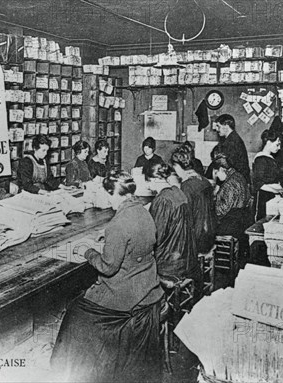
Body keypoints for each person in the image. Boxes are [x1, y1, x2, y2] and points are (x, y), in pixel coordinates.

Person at [51, 171, 163, 383]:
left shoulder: (118, 224)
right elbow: (134, 240)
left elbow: (108, 267)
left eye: (107, 195)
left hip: (126, 295)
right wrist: (110, 238)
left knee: (75, 311)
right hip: (147, 286)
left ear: (116, 194)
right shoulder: (143, 211)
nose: (106, 200)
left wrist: (88, 252)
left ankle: (71, 371)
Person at [144, 162, 200, 286]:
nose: (147, 186)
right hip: (187, 257)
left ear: (154, 179)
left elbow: (155, 236)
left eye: (147, 181)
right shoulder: (178, 191)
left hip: (170, 264)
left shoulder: (162, 200)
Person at [171, 146, 216, 256]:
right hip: (210, 233)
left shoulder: (187, 186)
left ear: (177, 166)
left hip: (197, 239)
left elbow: (185, 217)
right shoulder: (204, 180)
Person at [211, 157, 252, 264]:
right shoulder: (239, 176)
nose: (216, 177)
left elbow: (221, 211)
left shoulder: (229, 184)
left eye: (216, 173)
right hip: (242, 222)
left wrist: (210, 208)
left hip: (230, 226)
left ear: (221, 169)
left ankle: (213, 263)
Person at [252, 129, 283, 221]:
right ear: (269, 142)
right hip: (263, 197)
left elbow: (272, 180)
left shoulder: (270, 158)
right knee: (262, 221)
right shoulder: (261, 159)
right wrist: (278, 190)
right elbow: (258, 184)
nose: (279, 148)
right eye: (277, 144)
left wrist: (281, 189)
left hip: (270, 195)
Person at [213, 114, 250, 185]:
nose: (217, 129)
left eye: (218, 126)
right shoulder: (233, 139)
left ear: (226, 126)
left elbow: (228, 166)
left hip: (236, 182)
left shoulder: (232, 142)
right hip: (239, 180)